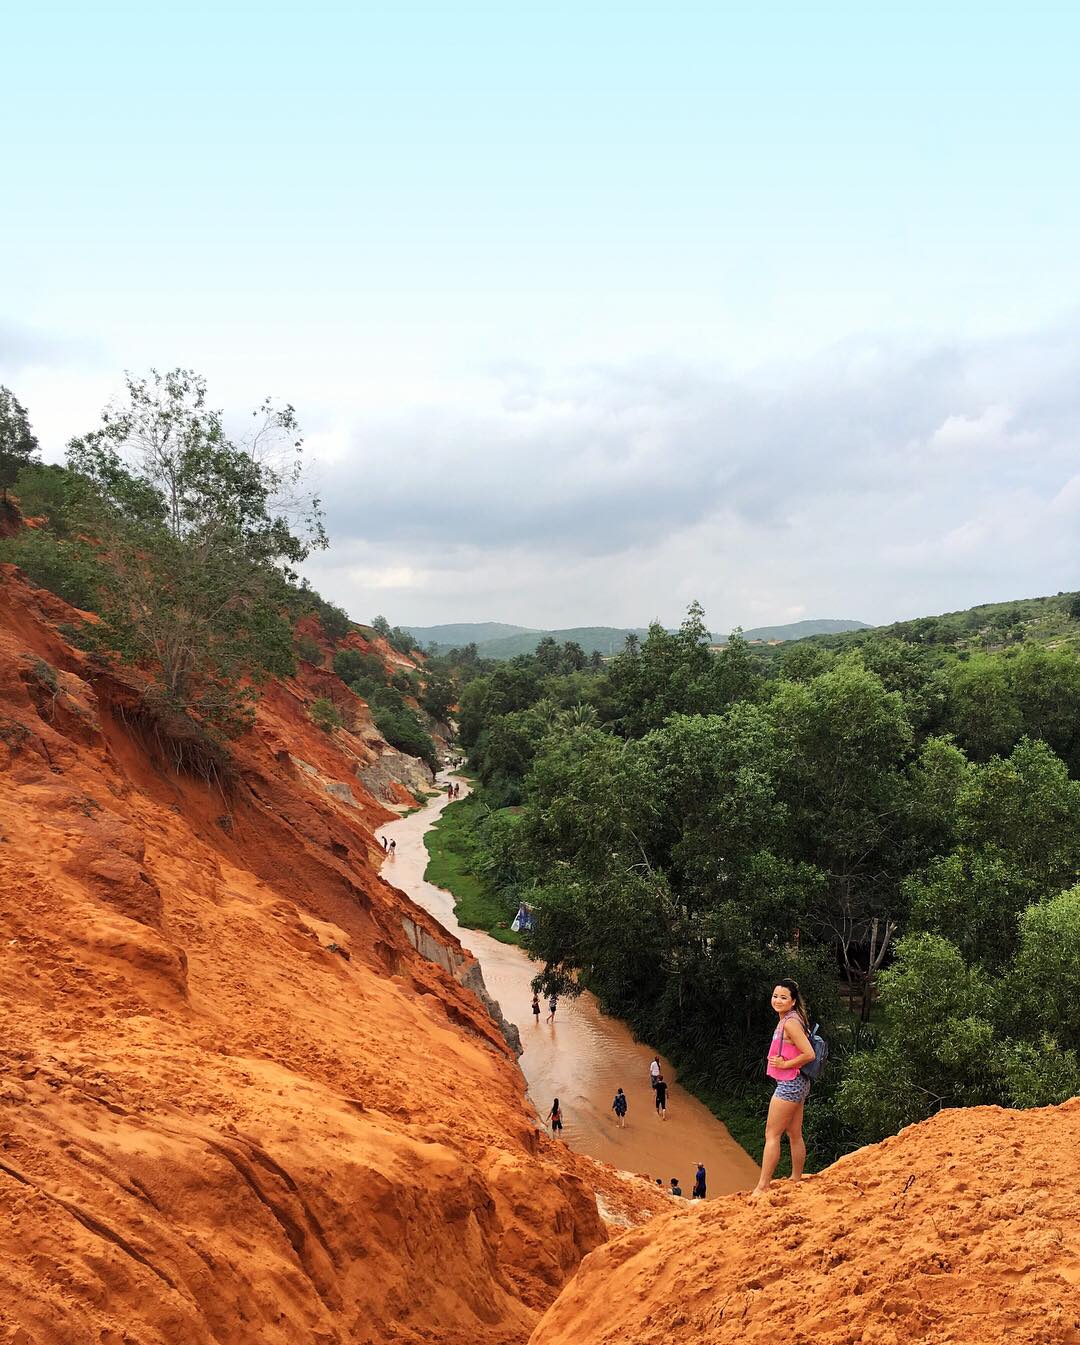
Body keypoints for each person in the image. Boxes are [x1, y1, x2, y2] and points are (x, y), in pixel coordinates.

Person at [752, 978, 816, 1195]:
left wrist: (784, 1064)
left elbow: (809, 1054)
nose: (777, 1000)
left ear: (793, 1001)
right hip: (798, 1083)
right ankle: (796, 1177)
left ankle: (762, 1186)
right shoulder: (791, 1018)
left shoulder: (790, 1022)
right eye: (775, 996)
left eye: (783, 997)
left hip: (790, 1083)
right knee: (794, 1133)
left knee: (772, 1134)